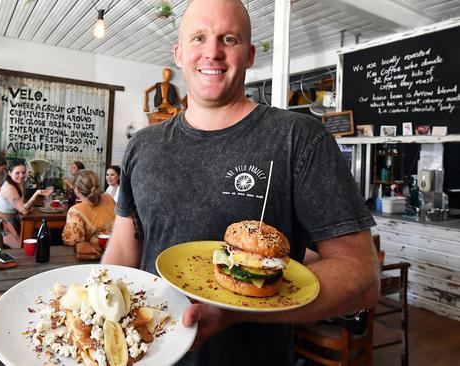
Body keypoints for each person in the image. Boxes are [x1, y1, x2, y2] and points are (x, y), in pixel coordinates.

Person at [101, 1, 380, 365]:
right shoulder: (142, 145)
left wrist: (235, 311)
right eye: (198, 37)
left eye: (228, 38)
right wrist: (100, 314)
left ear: (248, 55)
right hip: (148, 353)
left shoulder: (298, 138)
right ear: (179, 53)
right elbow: (125, 248)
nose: (212, 52)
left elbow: (362, 276)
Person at [62, 169, 116, 254]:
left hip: (94, 257)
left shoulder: (75, 211)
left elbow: (71, 241)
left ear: (77, 190)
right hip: (117, 251)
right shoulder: (109, 198)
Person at [0, 159, 52, 231]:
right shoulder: (9, 188)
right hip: (3, 224)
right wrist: (37, 193)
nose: (21, 175)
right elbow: (24, 210)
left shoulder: (18, 183)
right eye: (17, 173)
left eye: (23, 172)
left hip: (13, 220)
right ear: (10, 173)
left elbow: (21, 204)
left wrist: (24, 207)